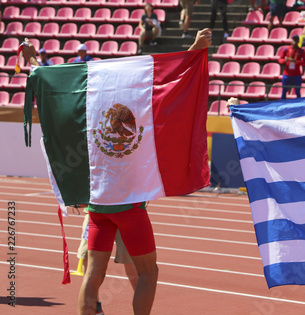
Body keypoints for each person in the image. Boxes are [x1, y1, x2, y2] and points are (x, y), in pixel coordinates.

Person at [21, 29, 212, 315]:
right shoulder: (142, 113)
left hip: (98, 205)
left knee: (93, 273)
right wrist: (194, 51)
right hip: (130, 207)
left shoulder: (88, 118)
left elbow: (56, 85)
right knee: (148, 272)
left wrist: (34, 61)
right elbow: (169, 85)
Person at [76, 208, 139, 315]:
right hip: (95, 211)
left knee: (131, 259)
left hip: (124, 210)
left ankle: (140, 308)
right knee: (87, 256)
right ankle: (96, 308)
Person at [278, 34, 305, 99]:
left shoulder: (301, 51)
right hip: (287, 74)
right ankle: (281, 104)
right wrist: (285, 60)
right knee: (284, 92)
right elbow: (280, 60)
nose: (295, 41)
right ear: (291, 41)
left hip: (297, 74)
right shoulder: (286, 49)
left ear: (298, 41)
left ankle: (299, 105)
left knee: (298, 92)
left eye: (296, 40)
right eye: (294, 39)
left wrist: (297, 62)